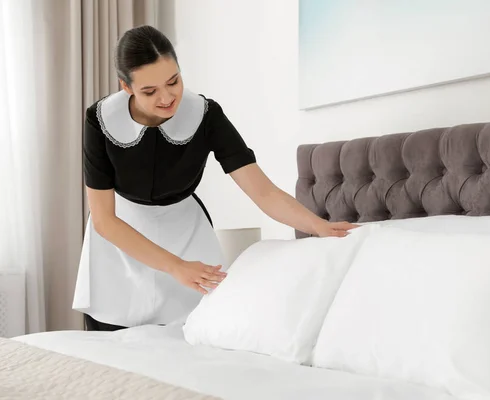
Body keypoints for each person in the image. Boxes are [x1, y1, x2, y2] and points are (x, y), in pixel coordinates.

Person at [72, 25, 357, 331]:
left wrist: (318, 226)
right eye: (150, 91)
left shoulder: (205, 115)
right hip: (119, 242)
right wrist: (174, 267)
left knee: (191, 342)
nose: (167, 97)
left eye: (174, 81)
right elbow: (104, 220)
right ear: (126, 87)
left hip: (185, 236)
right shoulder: (99, 120)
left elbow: (262, 192)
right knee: (109, 355)